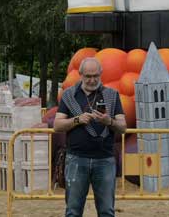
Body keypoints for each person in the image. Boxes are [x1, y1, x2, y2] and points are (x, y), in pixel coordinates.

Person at [54, 57, 126, 217]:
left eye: (95, 76)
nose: (92, 80)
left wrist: (109, 121)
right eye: (88, 76)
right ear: (80, 75)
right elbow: (57, 125)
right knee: (73, 211)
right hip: (76, 159)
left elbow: (123, 127)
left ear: (101, 74)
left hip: (105, 159)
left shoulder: (111, 95)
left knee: (107, 211)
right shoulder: (69, 95)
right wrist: (77, 120)